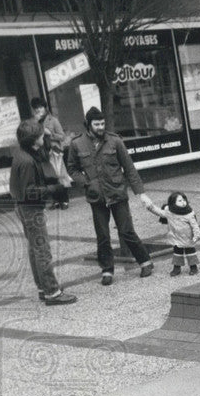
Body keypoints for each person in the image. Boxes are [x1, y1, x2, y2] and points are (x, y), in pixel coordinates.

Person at [67, 107, 156, 285]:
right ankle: (107, 270)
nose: (100, 127)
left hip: (117, 193)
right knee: (103, 236)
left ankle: (145, 261)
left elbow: (129, 168)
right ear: (88, 124)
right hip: (96, 196)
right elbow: (72, 168)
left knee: (126, 231)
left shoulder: (115, 141)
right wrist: (86, 182)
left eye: (102, 123)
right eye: (96, 124)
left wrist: (141, 193)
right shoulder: (77, 144)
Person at [8, 119, 76, 305]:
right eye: (40, 133)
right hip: (30, 209)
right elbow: (30, 191)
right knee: (42, 250)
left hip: (22, 207)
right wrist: (56, 188)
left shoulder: (23, 152)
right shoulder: (28, 161)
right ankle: (52, 293)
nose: (43, 134)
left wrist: (44, 136)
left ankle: (42, 287)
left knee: (34, 248)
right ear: (33, 139)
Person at [29, 97, 71, 209]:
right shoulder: (34, 122)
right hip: (42, 153)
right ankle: (55, 200)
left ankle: (64, 200)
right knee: (48, 177)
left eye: (40, 107)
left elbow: (62, 136)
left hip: (54, 152)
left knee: (60, 175)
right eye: (36, 108)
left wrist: (50, 133)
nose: (38, 110)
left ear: (45, 107)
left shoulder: (53, 120)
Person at [147, 191, 200, 276]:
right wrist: (150, 206)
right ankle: (177, 268)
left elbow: (195, 225)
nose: (183, 202)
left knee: (190, 252)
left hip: (188, 237)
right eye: (180, 201)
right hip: (176, 237)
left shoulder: (189, 213)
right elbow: (159, 212)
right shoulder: (169, 212)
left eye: (184, 200)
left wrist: (196, 235)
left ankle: (193, 267)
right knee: (177, 253)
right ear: (173, 203)